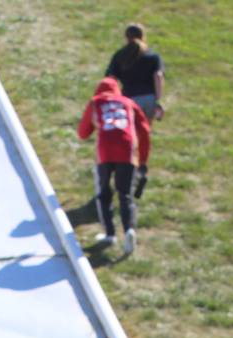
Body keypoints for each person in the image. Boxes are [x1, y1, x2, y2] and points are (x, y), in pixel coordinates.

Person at [77, 76, 151, 254]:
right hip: (127, 149)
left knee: (103, 192)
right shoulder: (129, 102)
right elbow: (145, 130)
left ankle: (110, 234)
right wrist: (143, 160)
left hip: (105, 150)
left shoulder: (96, 102)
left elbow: (82, 133)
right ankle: (129, 230)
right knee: (125, 193)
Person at [104, 23, 164, 122]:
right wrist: (157, 99)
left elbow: (111, 78)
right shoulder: (152, 55)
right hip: (149, 99)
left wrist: (116, 98)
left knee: (131, 132)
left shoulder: (120, 55)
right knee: (145, 131)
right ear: (143, 36)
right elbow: (158, 76)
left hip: (128, 99)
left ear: (126, 37)